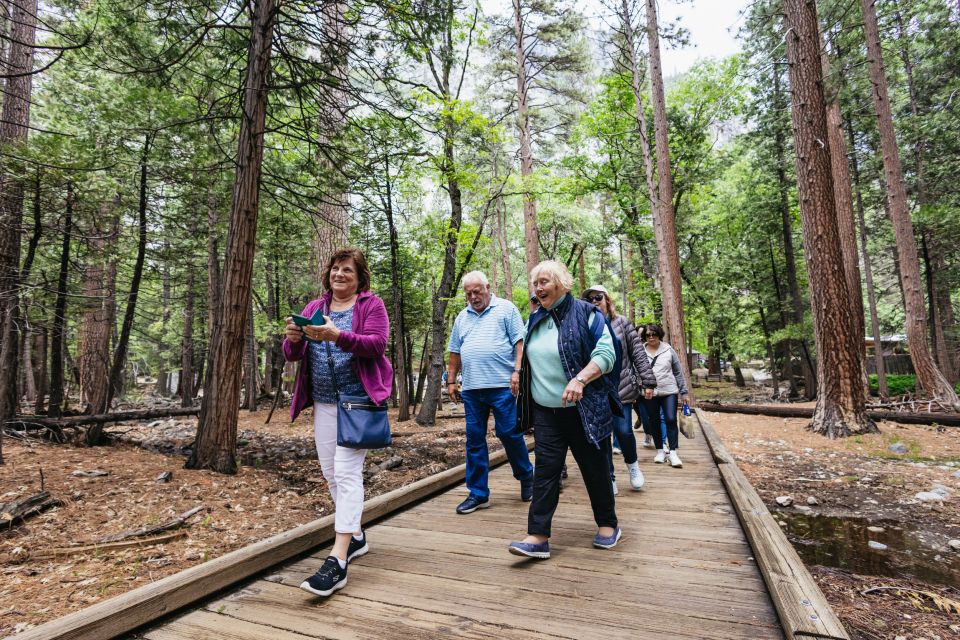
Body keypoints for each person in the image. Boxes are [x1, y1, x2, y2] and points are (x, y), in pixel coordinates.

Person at [283, 248, 393, 597]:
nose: (339, 274)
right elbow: (293, 354)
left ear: (359, 277)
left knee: (346, 474)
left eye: (347, 270)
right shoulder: (315, 308)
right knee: (331, 473)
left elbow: (377, 345)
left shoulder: (370, 306)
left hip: (357, 402)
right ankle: (357, 536)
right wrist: (293, 338)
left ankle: (338, 559)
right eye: (335, 268)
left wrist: (337, 336)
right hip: (325, 404)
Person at [508, 261, 622, 560]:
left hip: (583, 408)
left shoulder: (588, 314)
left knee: (594, 469)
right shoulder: (534, 318)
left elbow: (607, 354)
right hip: (547, 411)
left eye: (544, 282)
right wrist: (518, 372)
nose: (538, 288)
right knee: (545, 471)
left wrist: (581, 378)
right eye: (535, 283)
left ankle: (608, 524)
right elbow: (527, 354)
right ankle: (538, 536)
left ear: (561, 283)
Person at [447, 271, 534, 514]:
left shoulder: (506, 309)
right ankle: (478, 493)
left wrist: (518, 371)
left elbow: (520, 342)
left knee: (508, 433)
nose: (473, 297)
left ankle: (527, 476)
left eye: (477, 291)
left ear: (488, 287)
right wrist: (451, 381)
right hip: (473, 389)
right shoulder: (461, 317)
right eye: (468, 293)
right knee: (474, 440)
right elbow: (454, 351)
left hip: (502, 386)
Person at [582, 285, 656, 493]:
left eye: (598, 297)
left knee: (623, 431)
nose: (594, 301)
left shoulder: (622, 323)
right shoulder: (584, 326)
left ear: (607, 299)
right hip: (595, 390)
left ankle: (633, 466)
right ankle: (609, 477)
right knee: (602, 436)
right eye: (589, 299)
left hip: (621, 388)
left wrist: (648, 382)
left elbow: (638, 355)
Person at [638, 323, 688, 468]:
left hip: (669, 390)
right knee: (654, 420)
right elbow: (635, 371)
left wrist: (684, 392)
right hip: (649, 392)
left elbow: (678, 372)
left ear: (659, 334)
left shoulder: (668, 350)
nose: (651, 337)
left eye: (654, 334)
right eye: (648, 335)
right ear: (644, 337)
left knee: (671, 419)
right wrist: (641, 387)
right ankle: (660, 450)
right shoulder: (640, 351)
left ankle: (672, 452)